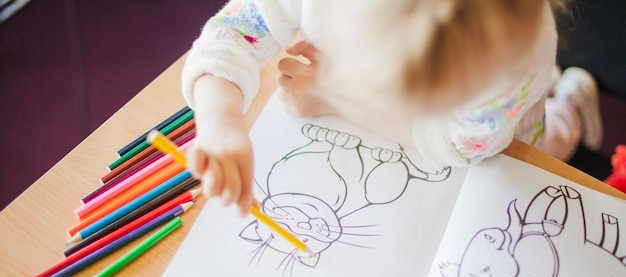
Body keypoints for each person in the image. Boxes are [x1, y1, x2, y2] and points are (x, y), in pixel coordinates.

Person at [181, 0, 564, 216]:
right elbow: (232, 34)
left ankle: (568, 113)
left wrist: (336, 97)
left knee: (544, 150)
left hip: (508, 133)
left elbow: (463, 144)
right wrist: (220, 122)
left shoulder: (514, 58)